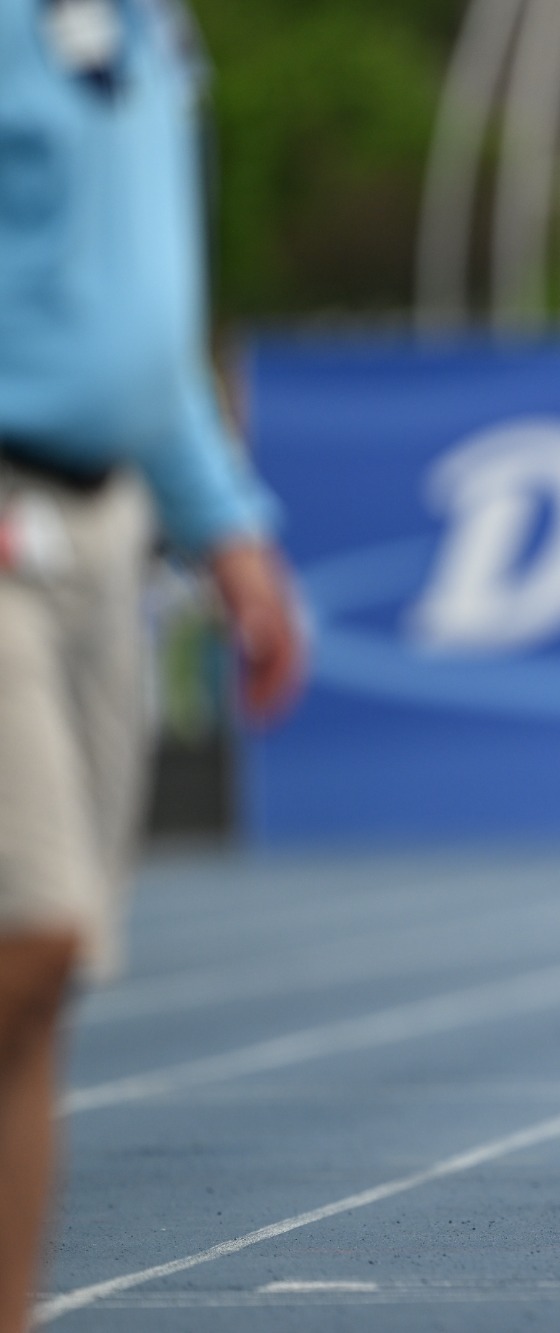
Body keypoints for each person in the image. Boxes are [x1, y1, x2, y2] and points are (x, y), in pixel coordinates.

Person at [0, 3, 305, 1328]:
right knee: (33, 930)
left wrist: (225, 525)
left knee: (46, 989)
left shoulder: (146, 34)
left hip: (109, 525)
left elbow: (146, 312)